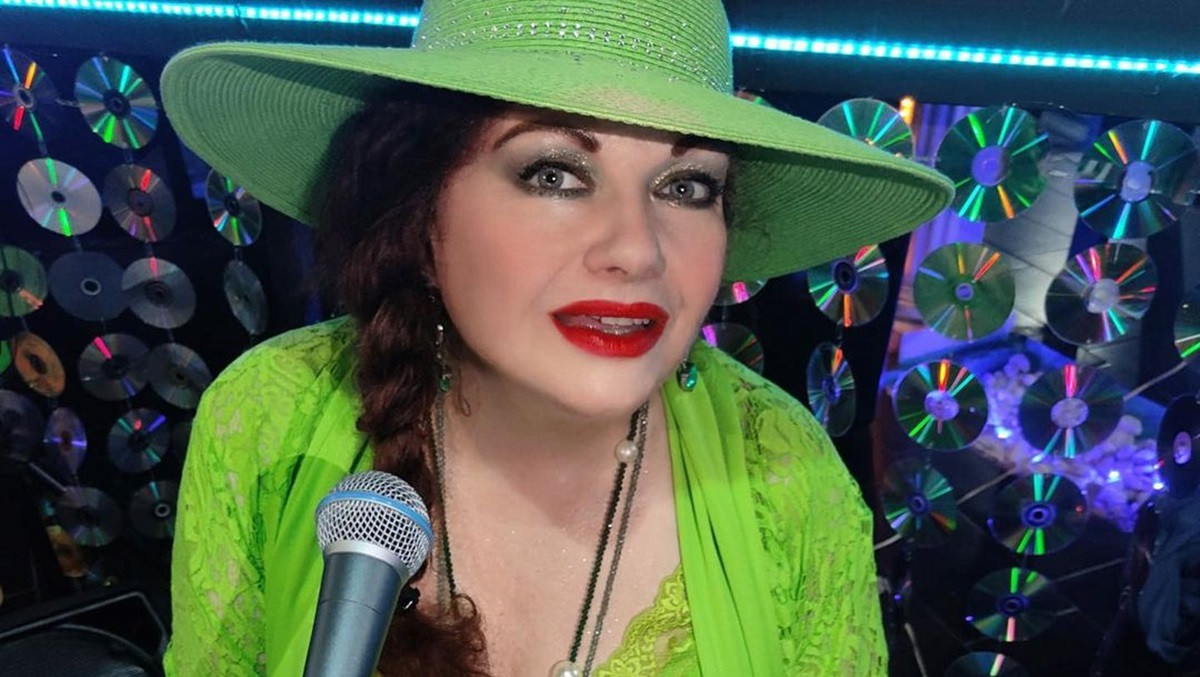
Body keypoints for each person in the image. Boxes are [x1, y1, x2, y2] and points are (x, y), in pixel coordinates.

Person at [157, 0, 952, 675]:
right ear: (420, 219)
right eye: (554, 174)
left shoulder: (789, 477)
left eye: (686, 185)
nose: (637, 250)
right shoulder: (269, 418)